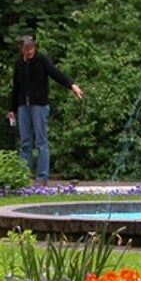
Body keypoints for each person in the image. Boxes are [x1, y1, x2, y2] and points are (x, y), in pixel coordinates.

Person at [7, 35, 83, 185]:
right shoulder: (19, 64)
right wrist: (12, 108)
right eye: (26, 49)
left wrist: (72, 85)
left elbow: (56, 73)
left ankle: (42, 176)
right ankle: (24, 175)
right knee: (25, 142)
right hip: (23, 105)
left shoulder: (41, 60)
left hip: (39, 104)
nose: (29, 52)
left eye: (31, 48)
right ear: (21, 49)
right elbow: (16, 87)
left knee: (41, 141)